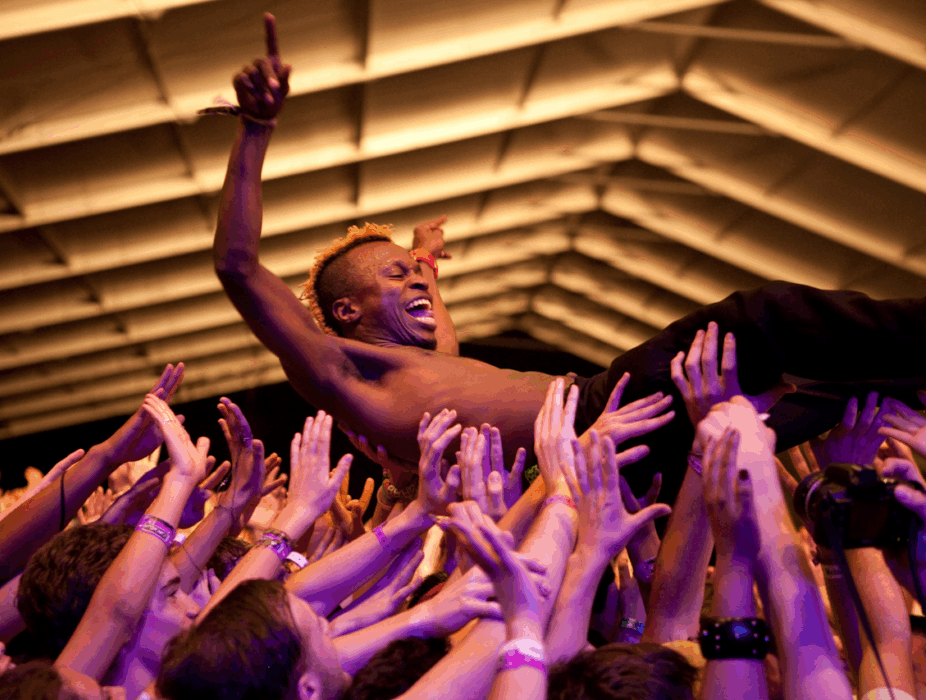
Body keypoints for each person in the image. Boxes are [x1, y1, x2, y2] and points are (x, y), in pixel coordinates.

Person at [210, 13, 926, 497]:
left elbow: (425, 289)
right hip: (599, 413)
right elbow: (237, 266)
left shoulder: (435, 362)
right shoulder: (344, 371)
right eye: (395, 274)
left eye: (417, 271)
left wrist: (420, 255)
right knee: (760, 317)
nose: (420, 279)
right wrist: (255, 131)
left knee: (843, 400)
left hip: (621, 440)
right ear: (346, 311)